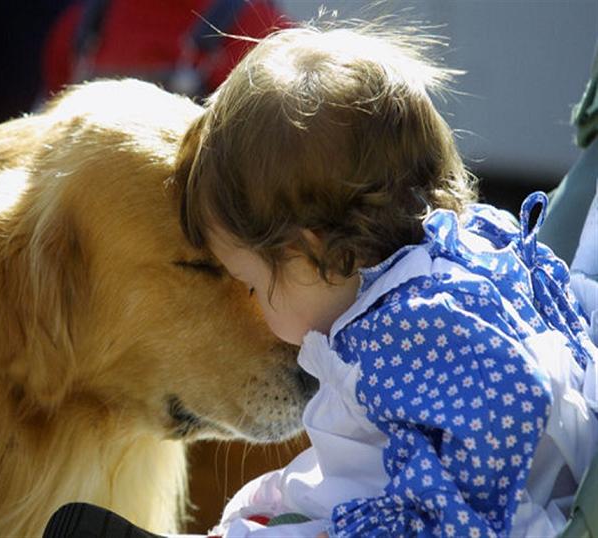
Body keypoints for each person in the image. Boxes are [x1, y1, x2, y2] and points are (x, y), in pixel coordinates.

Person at [172, 23, 598, 538]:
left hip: (479, 518)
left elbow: (515, 393)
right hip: (414, 488)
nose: (257, 308)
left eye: (254, 286)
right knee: (269, 505)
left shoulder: (405, 328)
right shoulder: (446, 267)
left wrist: (438, 514)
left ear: (308, 251)